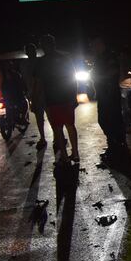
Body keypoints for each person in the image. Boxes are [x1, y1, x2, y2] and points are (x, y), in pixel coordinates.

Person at [36, 34, 79, 164]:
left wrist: (36, 99)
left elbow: (38, 83)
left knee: (58, 128)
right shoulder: (65, 58)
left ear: (43, 46)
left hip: (52, 100)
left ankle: (65, 157)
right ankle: (75, 154)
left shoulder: (42, 62)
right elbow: (73, 78)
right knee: (70, 126)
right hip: (65, 98)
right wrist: (74, 96)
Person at [90, 36, 127, 159]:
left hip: (110, 93)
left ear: (101, 45)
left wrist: (99, 77)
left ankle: (118, 148)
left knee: (111, 121)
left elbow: (113, 71)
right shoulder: (100, 58)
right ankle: (114, 146)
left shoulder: (109, 56)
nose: (93, 48)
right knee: (105, 120)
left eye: (95, 45)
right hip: (104, 94)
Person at [23, 43, 47, 149]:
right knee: (41, 117)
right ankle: (46, 137)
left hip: (41, 93)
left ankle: (45, 138)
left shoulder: (37, 62)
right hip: (38, 93)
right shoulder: (38, 62)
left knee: (42, 117)